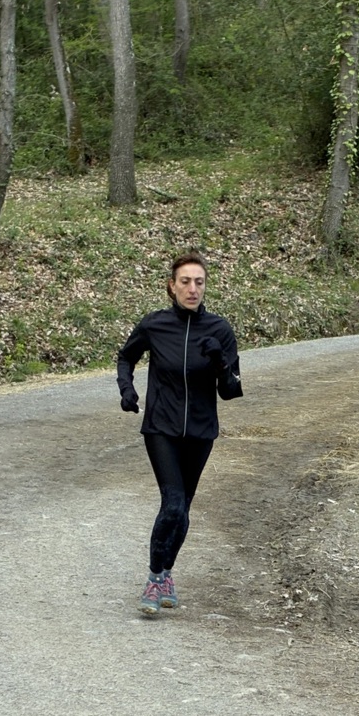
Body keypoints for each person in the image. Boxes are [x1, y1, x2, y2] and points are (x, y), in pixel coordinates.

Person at [116, 251, 243, 615]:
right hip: (161, 427)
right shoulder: (155, 325)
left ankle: (167, 573)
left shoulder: (219, 330)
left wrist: (220, 362)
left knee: (182, 509)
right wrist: (127, 389)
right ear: (171, 286)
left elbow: (232, 390)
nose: (192, 289)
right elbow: (126, 357)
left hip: (201, 431)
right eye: (185, 282)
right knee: (172, 502)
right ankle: (155, 578)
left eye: (199, 282)